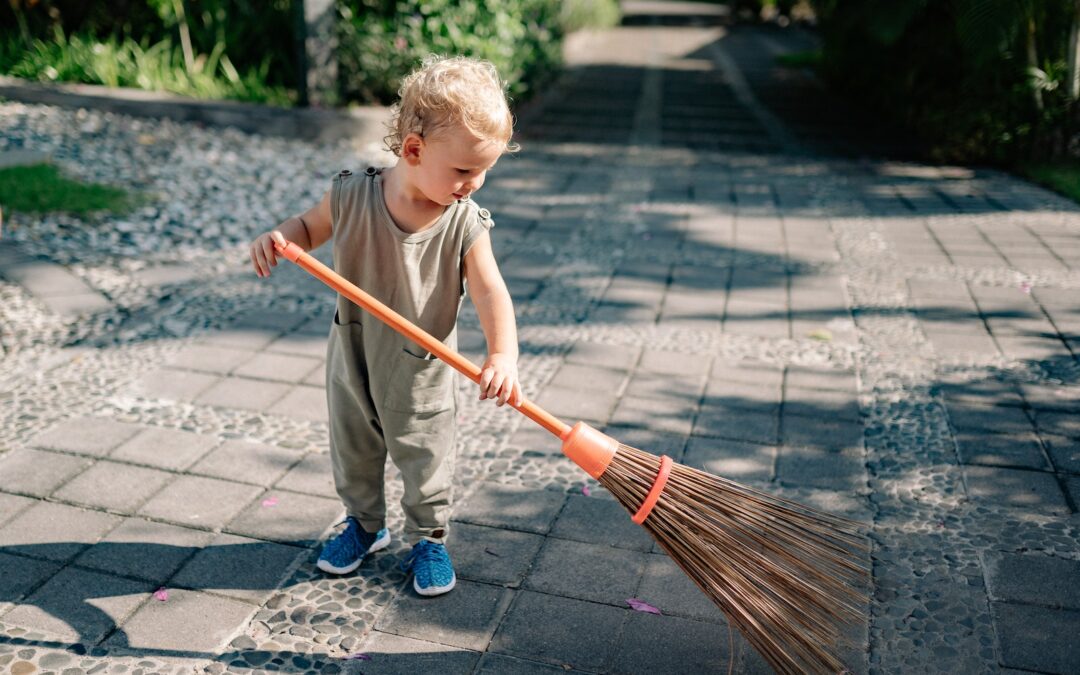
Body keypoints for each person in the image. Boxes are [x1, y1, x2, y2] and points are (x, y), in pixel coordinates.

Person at [249, 55, 522, 597]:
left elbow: (491, 290)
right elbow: (307, 227)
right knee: (354, 447)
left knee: (424, 454)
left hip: (421, 367)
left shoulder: (463, 221)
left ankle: (428, 537)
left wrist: (503, 355)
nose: (475, 183)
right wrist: (279, 239)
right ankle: (364, 525)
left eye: (483, 170)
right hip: (352, 353)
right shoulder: (351, 194)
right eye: (465, 170)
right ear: (414, 151)